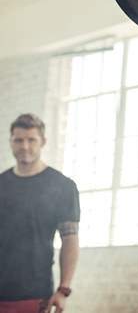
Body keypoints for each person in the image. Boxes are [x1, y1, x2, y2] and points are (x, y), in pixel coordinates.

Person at [0, 114, 80, 313]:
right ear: (10, 142)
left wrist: (63, 290)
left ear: (43, 141)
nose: (24, 146)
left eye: (31, 140)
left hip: (35, 293)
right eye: (18, 140)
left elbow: (70, 239)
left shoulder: (62, 186)